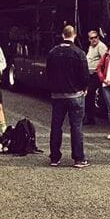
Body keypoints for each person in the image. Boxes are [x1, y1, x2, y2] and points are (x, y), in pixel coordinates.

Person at [45, 25, 91, 168]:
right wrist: (84, 88)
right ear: (74, 35)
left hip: (57, 95)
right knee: (76, 127)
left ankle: (54, 157)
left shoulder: (52, 52)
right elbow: (85, 74)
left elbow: (48, 73)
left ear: (62, 35)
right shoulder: (79, 52)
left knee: (56, 126)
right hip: (75, 95)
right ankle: (78, 158)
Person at [84, 30, 107, 124]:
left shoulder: (101, 46)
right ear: (89, 39)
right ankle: (90, 117)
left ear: (98, 37)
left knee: (89, 93)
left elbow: (105, 60)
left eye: (95, 37)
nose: (94, 39)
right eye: (91, 38)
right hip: (90, 74)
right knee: (89, 95)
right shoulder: (91, 47)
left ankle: (89, 117)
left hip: (96, 74)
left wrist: (100, 73)